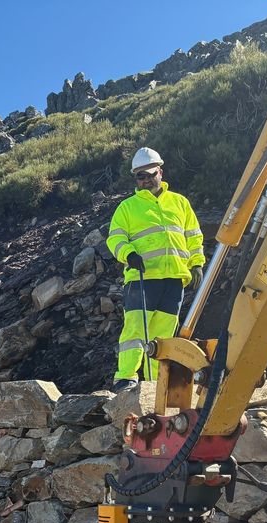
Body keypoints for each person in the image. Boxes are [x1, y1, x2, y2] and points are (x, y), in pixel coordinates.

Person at [106, 147, 205, 390]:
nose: (147, 179)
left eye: (150, 173)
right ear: (135, 179)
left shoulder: (180, 203)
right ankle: (126, 378)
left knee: (163, 337)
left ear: (160, 171)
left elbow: (194, 237)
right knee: (136, 330)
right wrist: (128, 254)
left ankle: (155, 384)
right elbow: (114, 239)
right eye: (141, 176)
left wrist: (197, 264)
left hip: (173, 279)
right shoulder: (127, 208)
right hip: (143, 278)